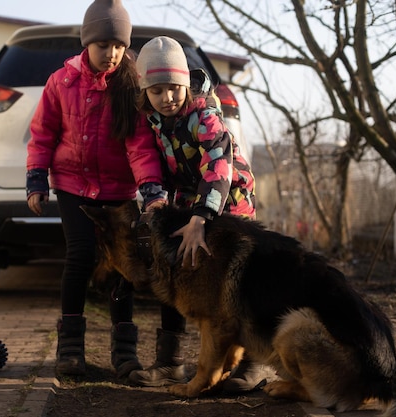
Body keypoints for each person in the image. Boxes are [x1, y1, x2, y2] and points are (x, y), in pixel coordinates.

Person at [25, 0, 165, 378]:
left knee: (124, 265)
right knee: (81, 256)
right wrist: (37, 178)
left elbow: (139, 145)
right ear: (87, 42)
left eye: (119, 46)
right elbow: (42, 134)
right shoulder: (61, 82)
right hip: (73, 186)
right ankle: (70, 347)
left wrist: (150, 188)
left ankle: (124, 351)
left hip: (118, 190)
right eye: (104, 45)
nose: (112, 54)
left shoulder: (131, 85)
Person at [128, 36, 276, 391]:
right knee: (174, 268)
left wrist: (200, 220)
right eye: (157, 90)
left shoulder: (203, 116)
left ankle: (252, 365)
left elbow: (217, 166)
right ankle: (170, 362)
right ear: (145, 92)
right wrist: (156, 203)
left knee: (240, 278)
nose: (167, 98)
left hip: (229, 196)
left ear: (185, 83)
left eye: (174, 88)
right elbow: (156, 169)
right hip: (187, 200)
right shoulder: (153, 120)